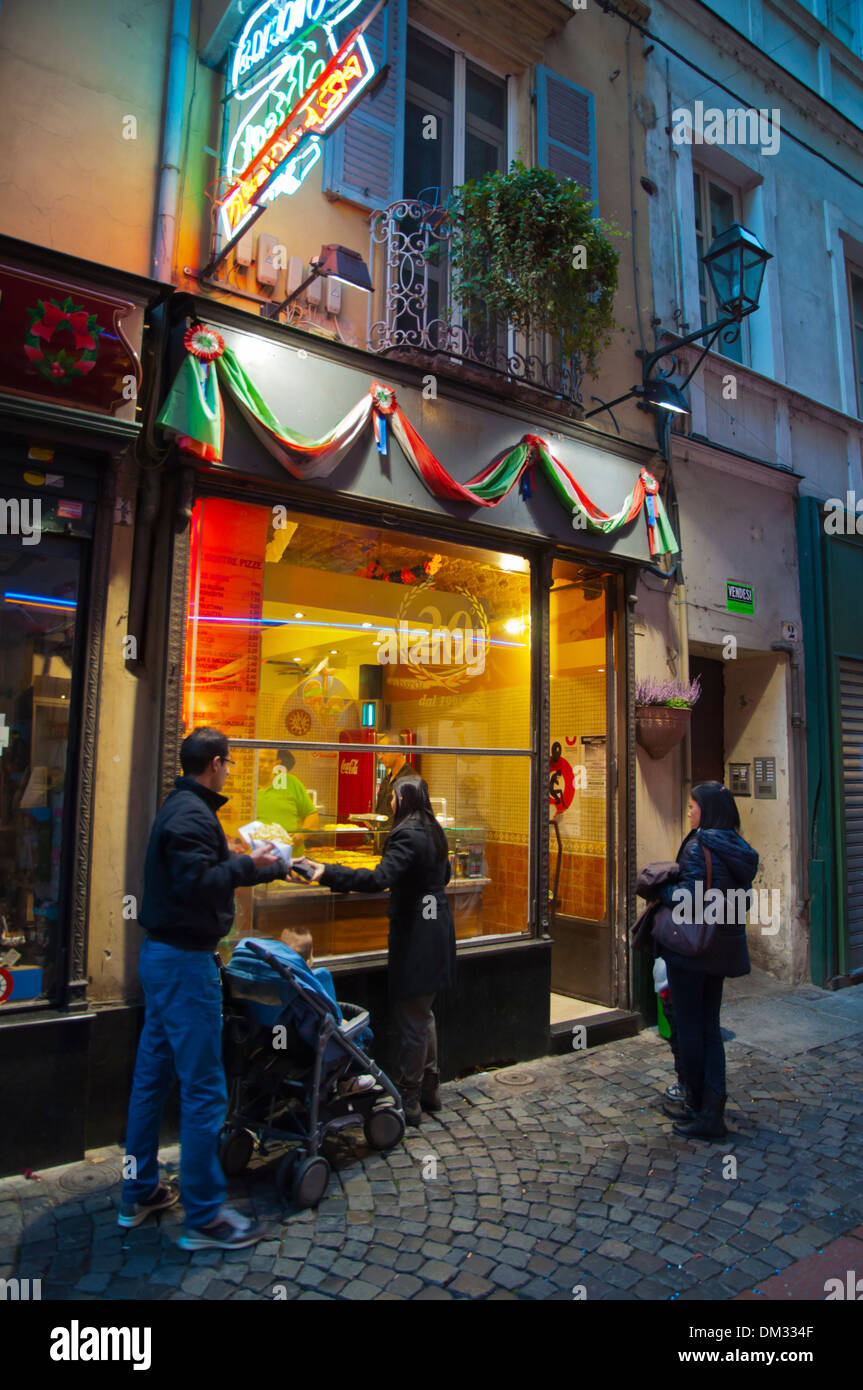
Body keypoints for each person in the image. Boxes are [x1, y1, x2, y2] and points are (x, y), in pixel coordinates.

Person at [119, 726, 287, 1249]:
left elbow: (205, 873)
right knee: (203, 1088)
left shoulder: (182, 808)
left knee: (153, 1075)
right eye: (230, 763)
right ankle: (206, 1217)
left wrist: (257, 867)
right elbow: (201, 882)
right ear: (214, 762)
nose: (231, 770)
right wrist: (247, 863)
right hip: (186, 965)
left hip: (162, 959)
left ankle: (140, 1189)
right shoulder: (191, 815)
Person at [295, 774, 456, 1127]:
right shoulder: (434, 829)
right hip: (437, 929)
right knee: (423, 1014)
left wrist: (326, 872)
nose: (392, 803)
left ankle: (409, 1100)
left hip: (417, 935)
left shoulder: (406, 834)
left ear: (404, 798)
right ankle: (430, 1089)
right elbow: (444, 875)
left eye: (395, 797)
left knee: (412, 1020)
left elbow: (378, 879)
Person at [656, 781, 758, 1140]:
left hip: (691, 951)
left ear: (708, 810)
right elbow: (741, 902)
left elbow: (689, 898)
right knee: (710, 1027)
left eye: (692, 806)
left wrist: (659, 889)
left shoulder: (700, 846)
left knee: (688, 1027)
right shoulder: (738, 849)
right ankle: (713, 1110)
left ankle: (696, 1104)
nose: (688, 811)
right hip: (719, 950)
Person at [256, 749, 319, 848]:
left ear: (277, 763)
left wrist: (301, 835)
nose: (266, 765)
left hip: (291, 856)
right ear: (253, 760)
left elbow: (312, 815)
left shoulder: (291, 782)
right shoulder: (245, 786)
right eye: (262, 760)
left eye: (271, 761)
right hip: (256, 856)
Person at [373, 732, 413, 824]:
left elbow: (410, 821)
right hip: (383, 836)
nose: (380, 757)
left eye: (383, 752)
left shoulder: (411, 781)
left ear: (398, 750)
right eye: (378, 752)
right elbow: (379, 813)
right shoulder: (386, 780)